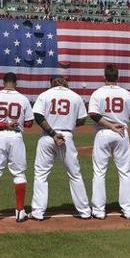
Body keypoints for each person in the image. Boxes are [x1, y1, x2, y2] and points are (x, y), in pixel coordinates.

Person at [30, 75, 91, 221]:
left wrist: (52, 133)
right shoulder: (75, 96)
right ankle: (85, 211)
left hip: (47, 136)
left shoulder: (45, 95)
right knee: (74, 174)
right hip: (66, 137)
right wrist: (68, 123)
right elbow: (82, 120)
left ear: (51, 83)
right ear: (65, 82)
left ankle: (38, 212)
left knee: (41, 175)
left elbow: (38, 116)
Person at [0, 72, 34, 223]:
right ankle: (20, 211)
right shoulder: (23, 98)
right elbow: (29, 123)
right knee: (19, 174)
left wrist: (3, 123)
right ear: (16, 83)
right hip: (16, 137)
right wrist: (17, 122)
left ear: (3, 82)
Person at [88, 64, 130, 219]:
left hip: (103, 132)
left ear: (104, 76)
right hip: (121, 132)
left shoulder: (98, 93)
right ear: (118, 76)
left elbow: (93, 114)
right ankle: (128, 210)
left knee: (99, 172)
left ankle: (99, 210)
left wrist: (109, 124)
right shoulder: (127, 94)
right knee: (125, 172)